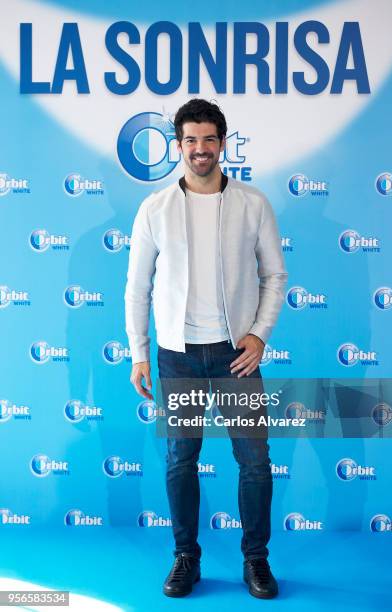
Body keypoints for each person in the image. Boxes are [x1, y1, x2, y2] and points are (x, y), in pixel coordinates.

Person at [125, 98, 287, 599]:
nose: (200, 149)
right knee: (180, 460)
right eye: (191, 140)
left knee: (255, 462)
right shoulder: (155, 208)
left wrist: (259, 334)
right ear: (178, 146)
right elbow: (137, 287)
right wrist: (138, 352)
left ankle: (256, 561)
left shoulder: (252, 203)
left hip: (235, 357)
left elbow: (275, 275)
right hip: (178, 355)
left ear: (223, 144)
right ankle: (186, 558)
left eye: (209, 139)